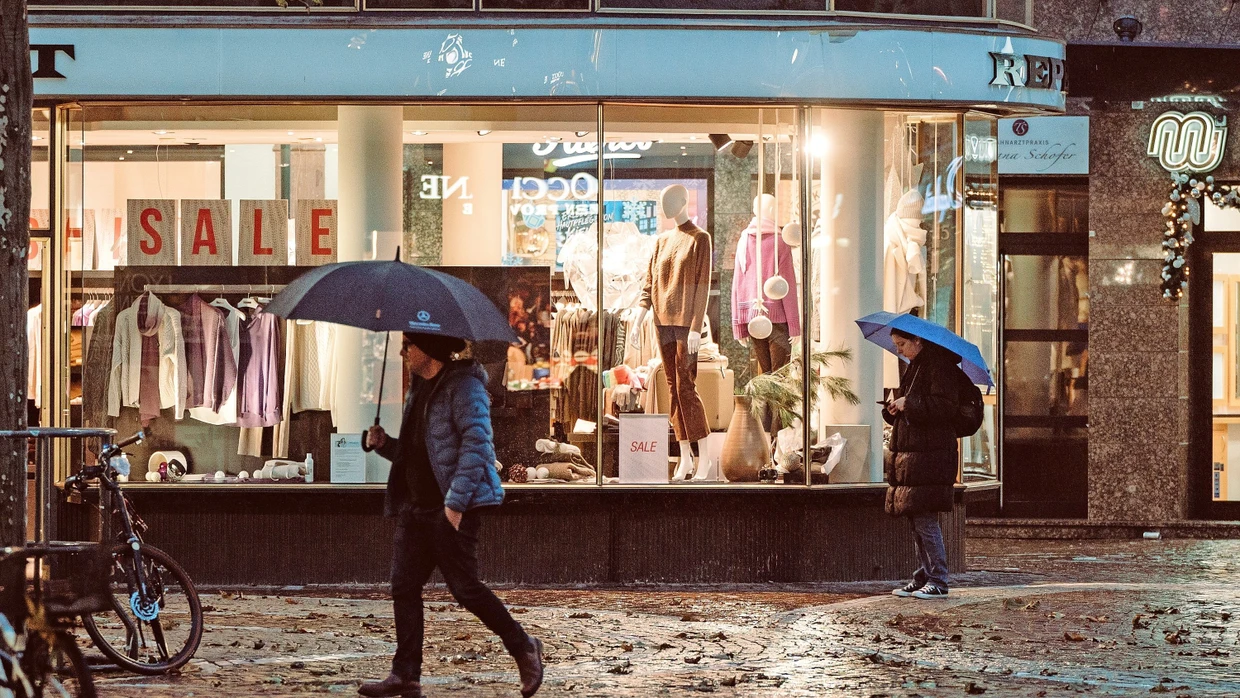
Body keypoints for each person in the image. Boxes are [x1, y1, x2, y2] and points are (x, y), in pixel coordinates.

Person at [359, 332, 544, 698]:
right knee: (404, 586)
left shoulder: (464, 387)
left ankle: (524, 646)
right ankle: (405, 674)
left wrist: (455, 507)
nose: (403, 351)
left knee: (466, 590)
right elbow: (416, 453)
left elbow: (478, 448)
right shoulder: (420, 387)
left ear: (426, 350)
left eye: (408, 345)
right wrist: (384, 445)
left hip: (450, 507)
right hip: (417, 508)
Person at [882, 327, 962, 600]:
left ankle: (938, 579)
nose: (899, 350)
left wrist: (910, 404)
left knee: (926, 519)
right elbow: (911, 406)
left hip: (930, 455)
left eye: (902, 343)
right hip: (915, 455)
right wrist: (894, 408)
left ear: (918, 340)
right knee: (917, 519)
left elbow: (945, 407)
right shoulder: (915, 366)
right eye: (896, 344)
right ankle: (924, 576)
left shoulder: (939, 366)